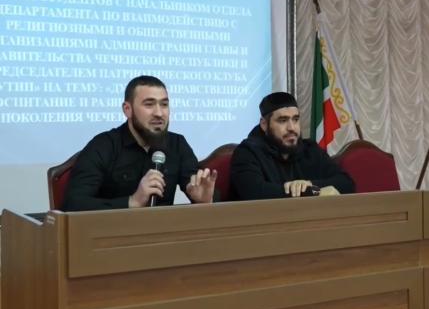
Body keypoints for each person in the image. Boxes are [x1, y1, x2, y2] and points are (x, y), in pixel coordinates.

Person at [62, 75, 217, 211]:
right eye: (149, 104)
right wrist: (132, 202)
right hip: (114, 233)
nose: (159, 113)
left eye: (164, 104)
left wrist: (205, 199)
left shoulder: (177, 144)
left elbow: (200, 188)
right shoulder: (103, 146)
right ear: (127, 109)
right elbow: (73, 204)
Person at [230, 92, 355, 200]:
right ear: (264, 124)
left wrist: (308, 184)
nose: (292, 128)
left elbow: (346, 183)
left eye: (295, 119)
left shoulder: (310, 150)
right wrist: (314, 191)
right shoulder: (247, 152)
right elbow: (256, 193)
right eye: (283, 120)